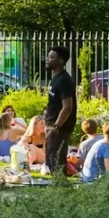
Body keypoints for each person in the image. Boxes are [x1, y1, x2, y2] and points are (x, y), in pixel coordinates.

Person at [44, 46, 77, 179]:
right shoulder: (56, 78)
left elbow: (67, 107)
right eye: (48, 56)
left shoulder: (64, 80)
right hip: (52, 125)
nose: (48, 59)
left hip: (59, 128)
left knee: (56, 160)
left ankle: (62, 190)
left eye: (52, 57)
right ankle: (59, 188)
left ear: (61, 61)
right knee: (51, 159)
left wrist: (56, 126)